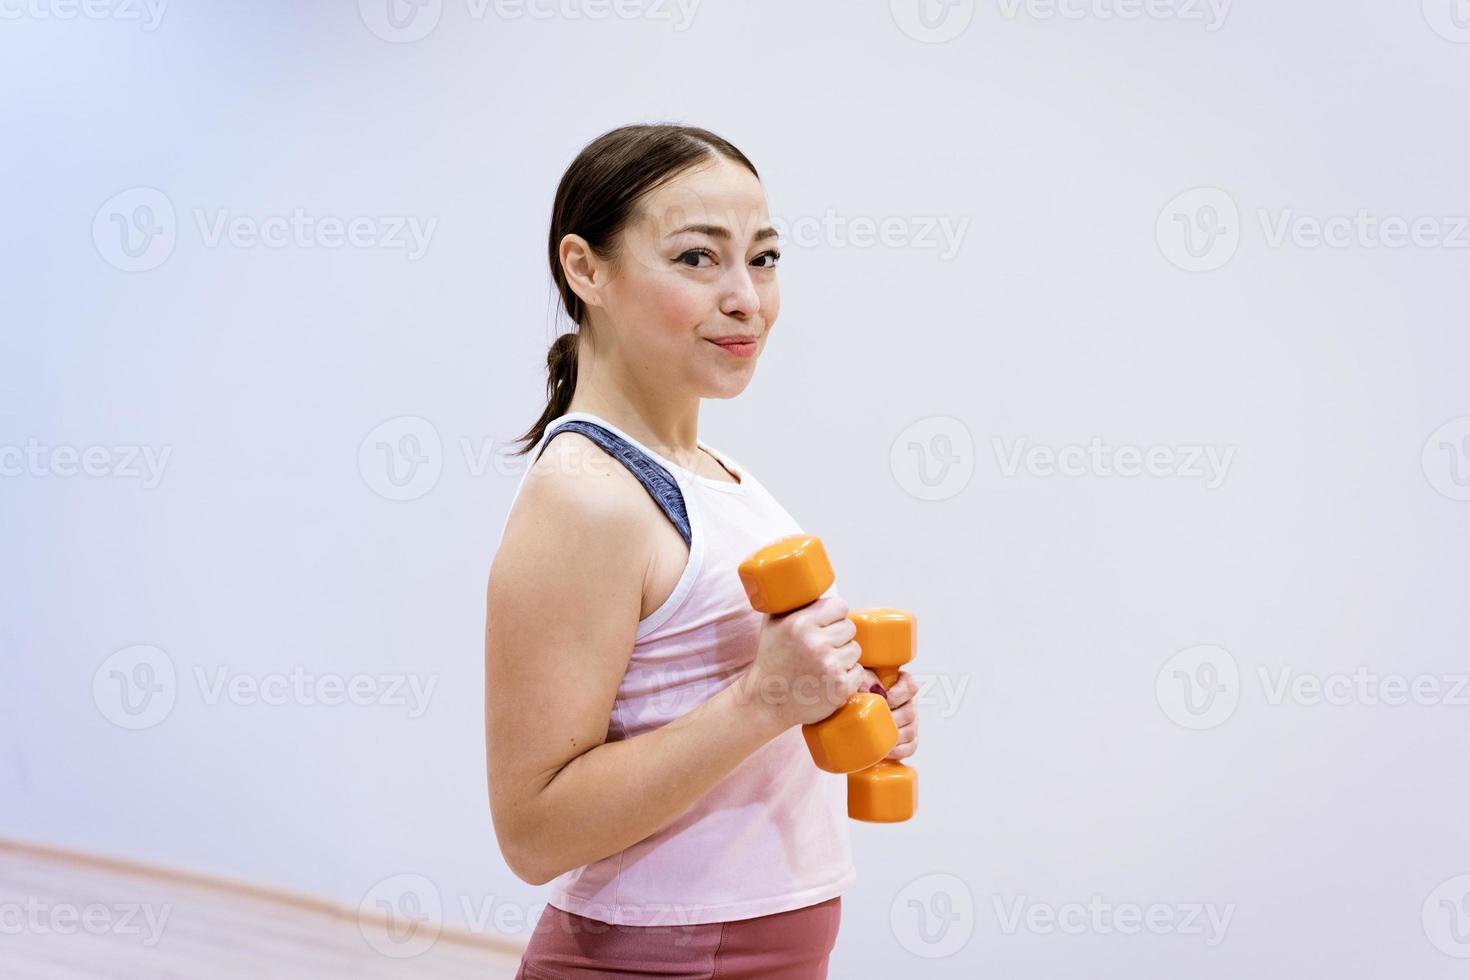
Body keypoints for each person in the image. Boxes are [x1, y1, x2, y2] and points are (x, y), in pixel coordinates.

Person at [484, 123, 919, 979]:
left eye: (762, 258)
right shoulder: (585, 496)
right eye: (696, 259)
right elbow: (533, 832)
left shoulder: (712, 471)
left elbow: (704, 706)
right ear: (586, 269)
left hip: (766, 940)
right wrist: (765, 700)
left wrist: (839, 704)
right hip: (661, 960)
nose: (746, 298)